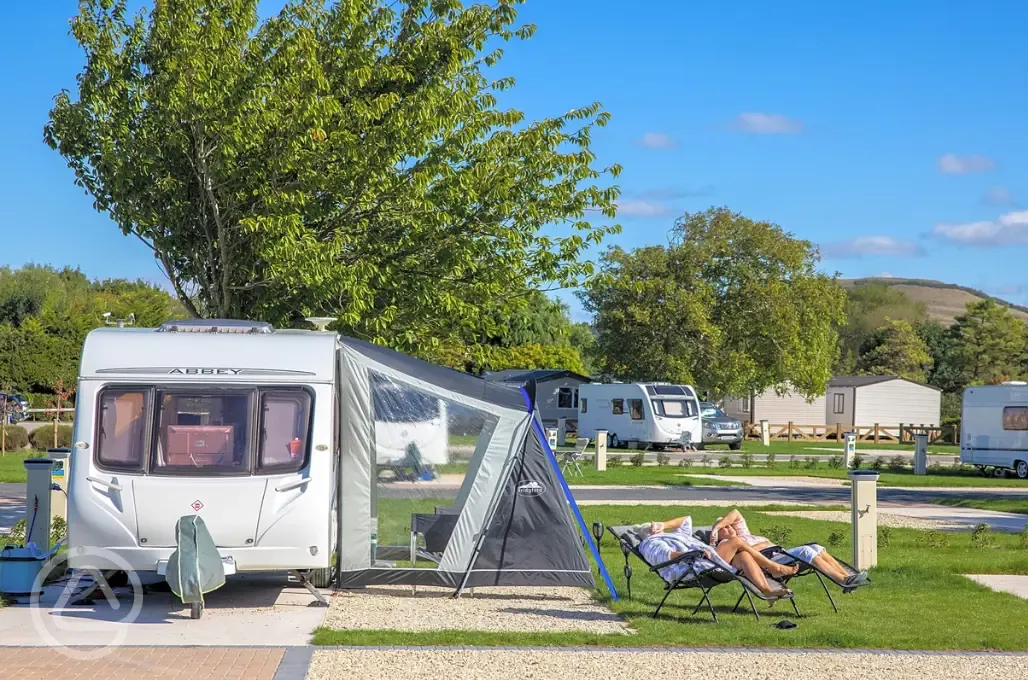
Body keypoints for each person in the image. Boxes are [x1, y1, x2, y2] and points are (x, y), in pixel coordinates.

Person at [638, 515, 797, 599]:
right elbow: (667, 556)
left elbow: (686, 520)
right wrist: (692, 554)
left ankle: (767, 590)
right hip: (693, 566)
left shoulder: (673, 536)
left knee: (744, 556)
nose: (658, 528)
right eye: (655, 527)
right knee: (735, 541)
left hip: (707, 560)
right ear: (650, 533)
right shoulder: (651, 543)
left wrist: (664, 524)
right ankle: (775, 567)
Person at [709, 509, 868, 588]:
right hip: (772, 559)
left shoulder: (743, 534)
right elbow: (747, 558)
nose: (729, 528)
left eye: (729, 525)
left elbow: (735, 513)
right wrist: (763, 545)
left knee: (817, 547)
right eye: (725, 528)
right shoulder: (728, 546)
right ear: (719, 537)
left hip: (780, 552)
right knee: (806, 552)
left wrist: (718, 527)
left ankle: (847, 577)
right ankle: (842, 581)